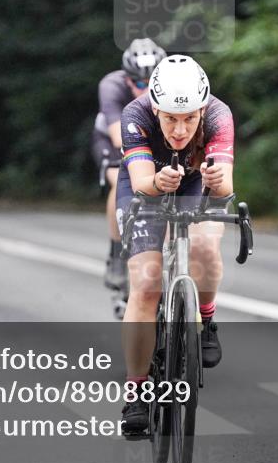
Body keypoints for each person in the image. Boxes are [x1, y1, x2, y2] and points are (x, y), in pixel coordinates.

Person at [116, 55, 235, 435]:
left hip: (198, 183)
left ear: (202, 108)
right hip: (148, 185)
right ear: (155, 108)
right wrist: (158, 183)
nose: (180, 129)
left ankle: (206, 317)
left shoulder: (218, 114)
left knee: (203, 249)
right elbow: (140, 182)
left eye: (189, 119)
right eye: (170, 118)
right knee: (147, 284)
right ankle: (136, 391)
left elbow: (227, 187)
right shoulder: (135, 114)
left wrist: (217, 179)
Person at [92, 38, 166, 292]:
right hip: (114, 141)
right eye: (139, 84)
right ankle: (116, 253)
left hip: (156, 140)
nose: (145, 91)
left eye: (151, 84)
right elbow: (118, 137)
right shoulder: (111, 86)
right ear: (127, 80)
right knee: (119, 182)